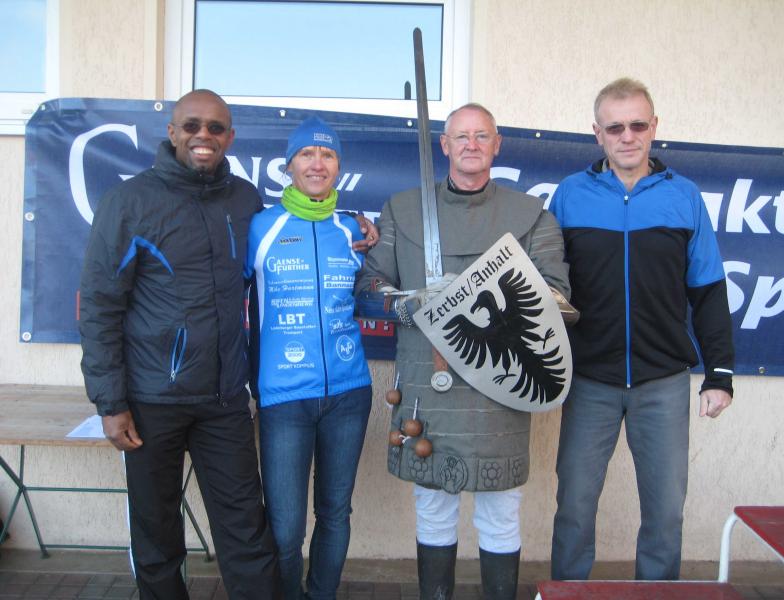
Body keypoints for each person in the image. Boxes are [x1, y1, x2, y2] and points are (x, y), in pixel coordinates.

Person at [356, 103, 571, 599]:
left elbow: (557, 298)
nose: (471, 145)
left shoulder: (532, 216)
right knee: (433, 507)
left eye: (481, 135)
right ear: (444, 145)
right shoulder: (401, 210)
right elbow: (369, 289)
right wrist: (413, 305)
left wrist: (474, 298)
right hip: (425, 385)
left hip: (501, 381)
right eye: (461, 136)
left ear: (497, 145)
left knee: (500, 511)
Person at [79, 89, 281, 600]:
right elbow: (100, 306)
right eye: (191, 126)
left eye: (215, 128)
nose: (203, 136)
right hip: (151, 402)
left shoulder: (244, 200)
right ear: (172, 133)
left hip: (224, 400)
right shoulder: (129, 202)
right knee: (157, 535)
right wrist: (111, 403)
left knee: (246, 531)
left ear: (230, 137)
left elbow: (283, 248)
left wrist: (355, 227)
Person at [549, 77, 734, 581]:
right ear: (597, 134)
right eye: (615, 127)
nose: (627, 136)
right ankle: (568, 592)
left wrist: (719, 374)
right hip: (589, 380)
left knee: (666, 513)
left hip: (662, 382)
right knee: (574, 507)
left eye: (637, 125)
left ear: (654, 127)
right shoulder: (570, 195)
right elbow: (544, 286)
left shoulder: (684, 196)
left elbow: (709, 290)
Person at [246, 116, 373, 600]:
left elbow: (381, 281)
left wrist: (374, 235)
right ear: (289, 165)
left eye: (328, 155)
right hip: (284, 398)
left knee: (335, 514)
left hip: (349, 393)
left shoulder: (355, 229)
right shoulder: (261, 227)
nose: (317, 164)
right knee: (284, 529)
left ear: (338, 166)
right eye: (306, 154)